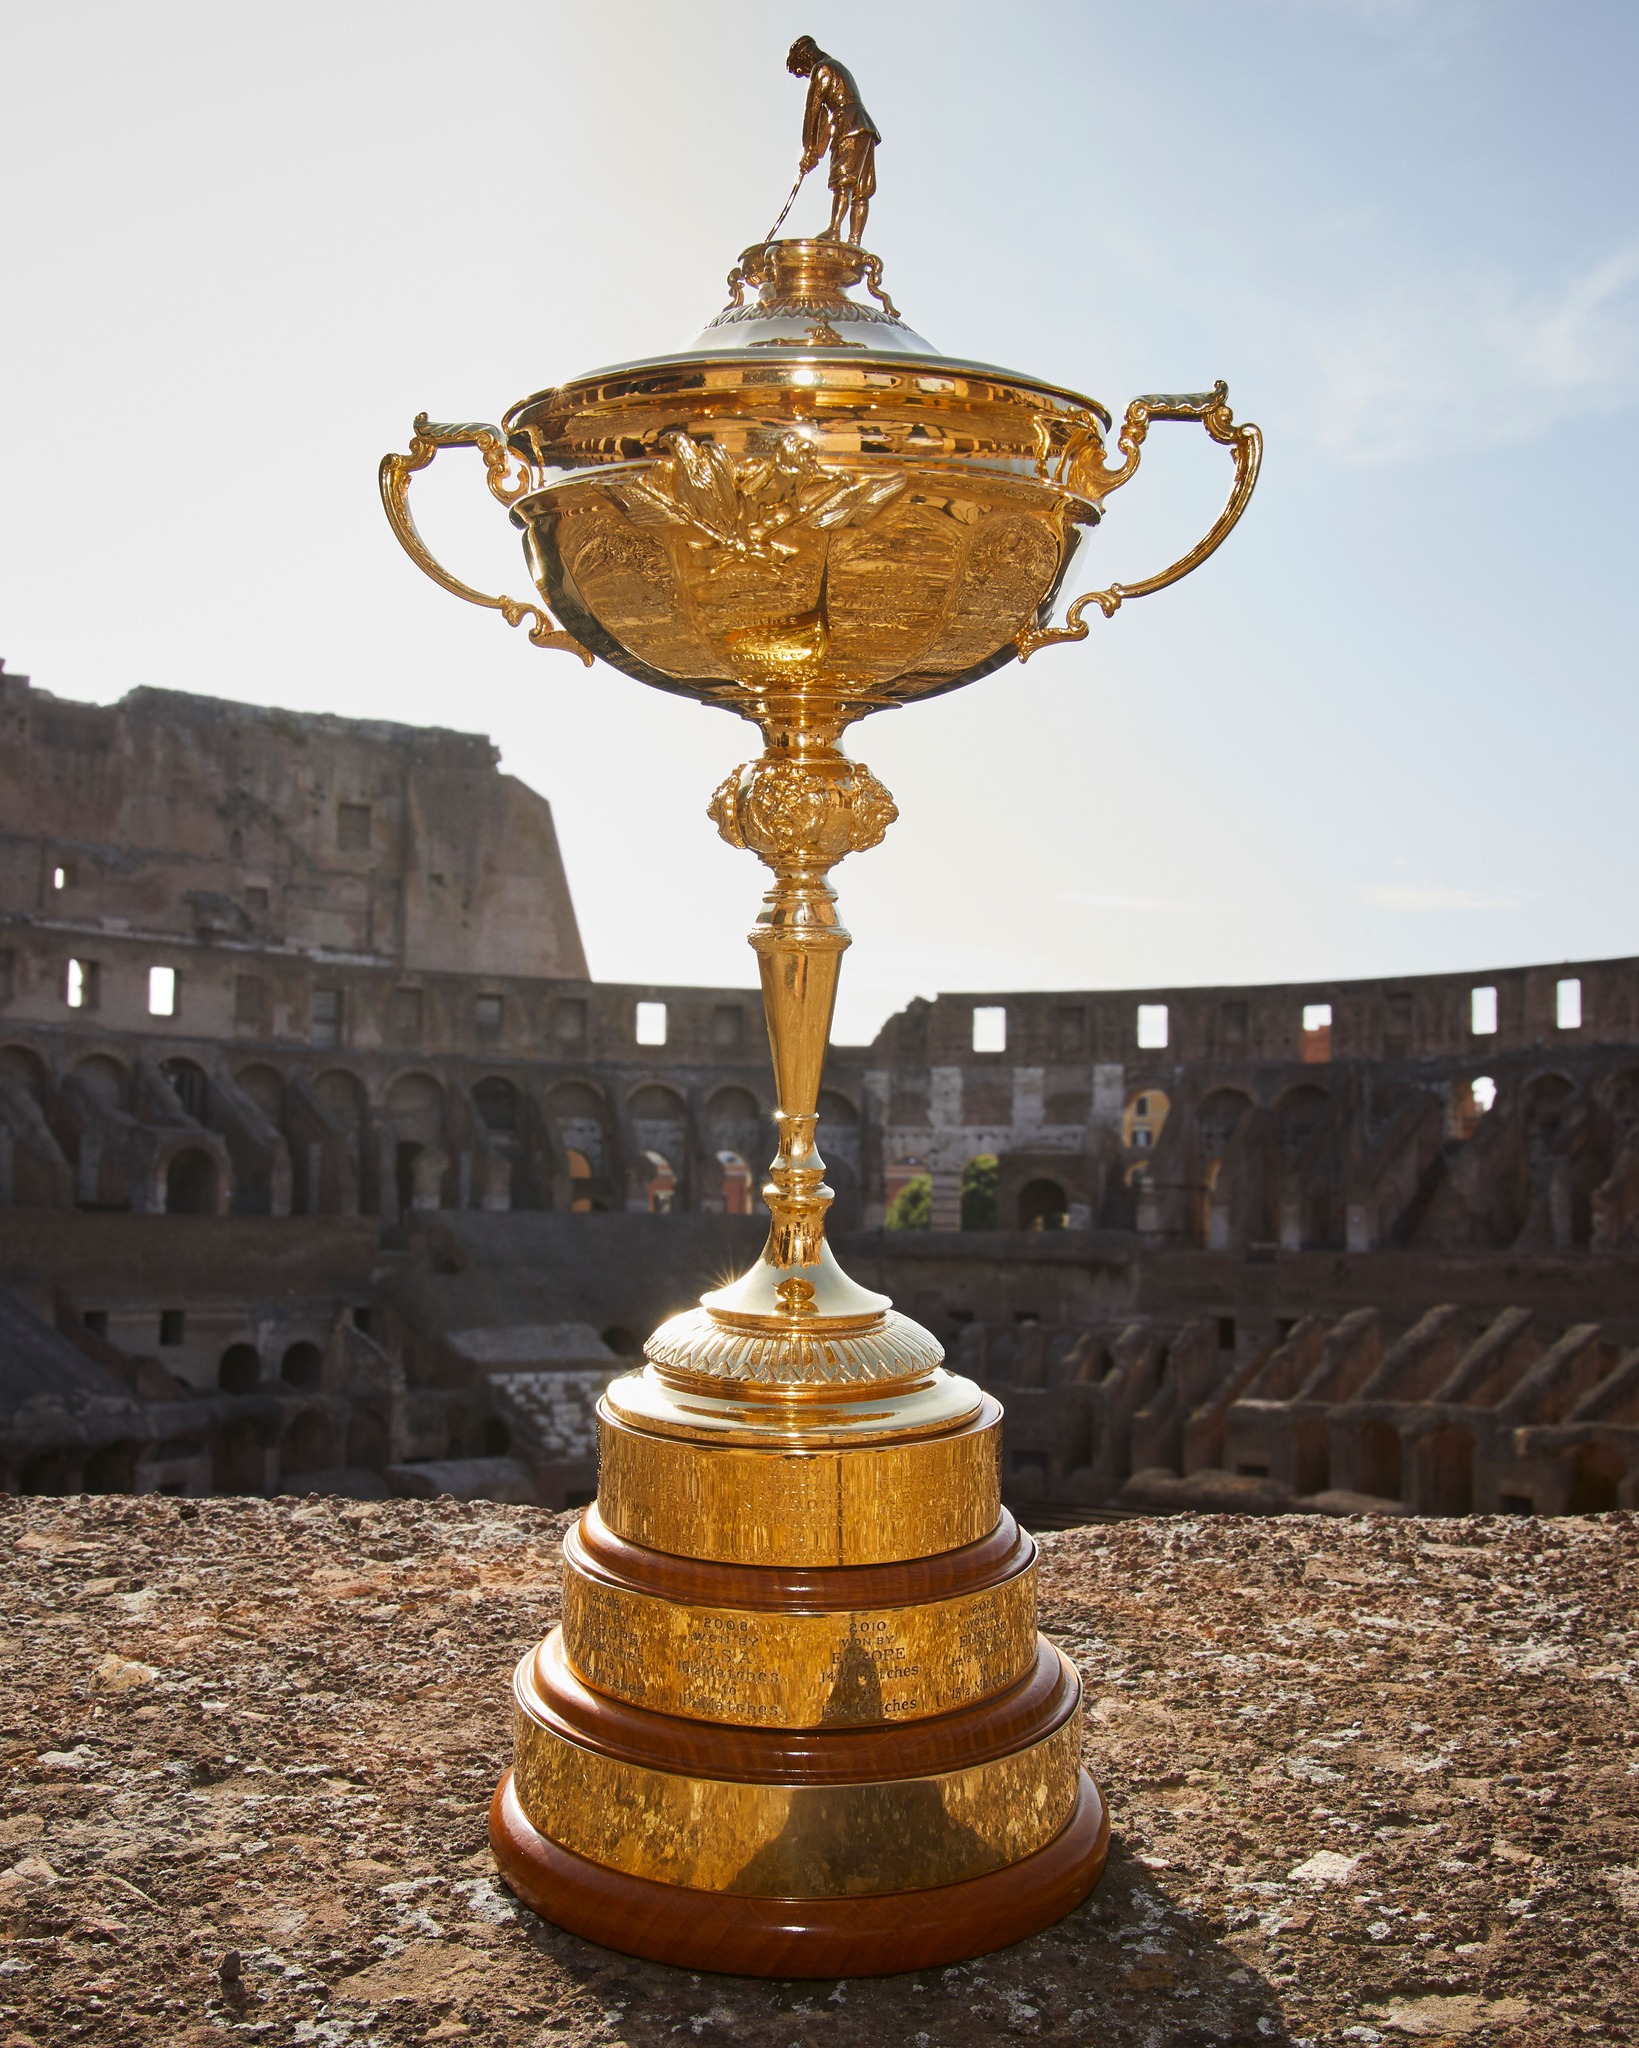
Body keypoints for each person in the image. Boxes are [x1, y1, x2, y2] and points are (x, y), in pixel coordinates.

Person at [787, 37, 880, 246]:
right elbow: (822, 121)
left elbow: (813, 112)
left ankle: (835, 230)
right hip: (865, 127)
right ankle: (854, 238)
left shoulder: (821, 69)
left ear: (805, 58)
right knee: (861, 189)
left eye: (802, 70)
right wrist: (815, 153)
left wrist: (809, 150)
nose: (805, 74)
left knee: (843, 181)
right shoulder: (837, 67)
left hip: (848, 125)